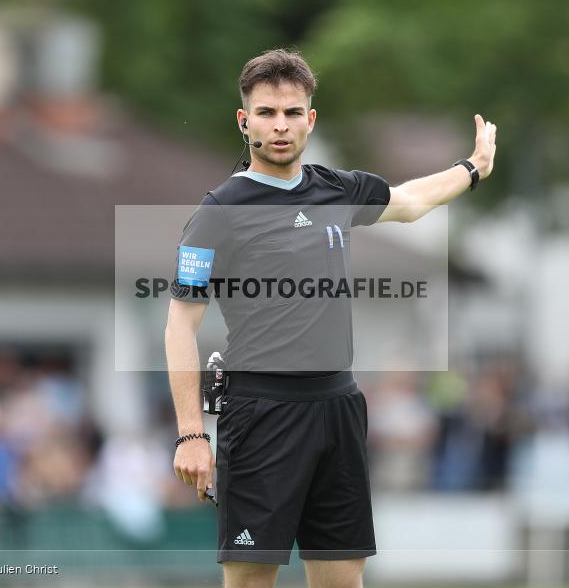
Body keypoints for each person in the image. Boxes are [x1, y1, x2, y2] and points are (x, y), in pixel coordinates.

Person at [165, 49, 497, 588]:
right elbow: (180, 325)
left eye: (292, 112)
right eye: (267, 113)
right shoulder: (217, 214)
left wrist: (472, 169)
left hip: (338, 408)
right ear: (244, 120)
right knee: (250, 577)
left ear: (310, 120)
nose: (280, 126)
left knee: (343, 577)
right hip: (260, 414)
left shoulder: (337, 189)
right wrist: (190, 435)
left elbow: (410, 201)